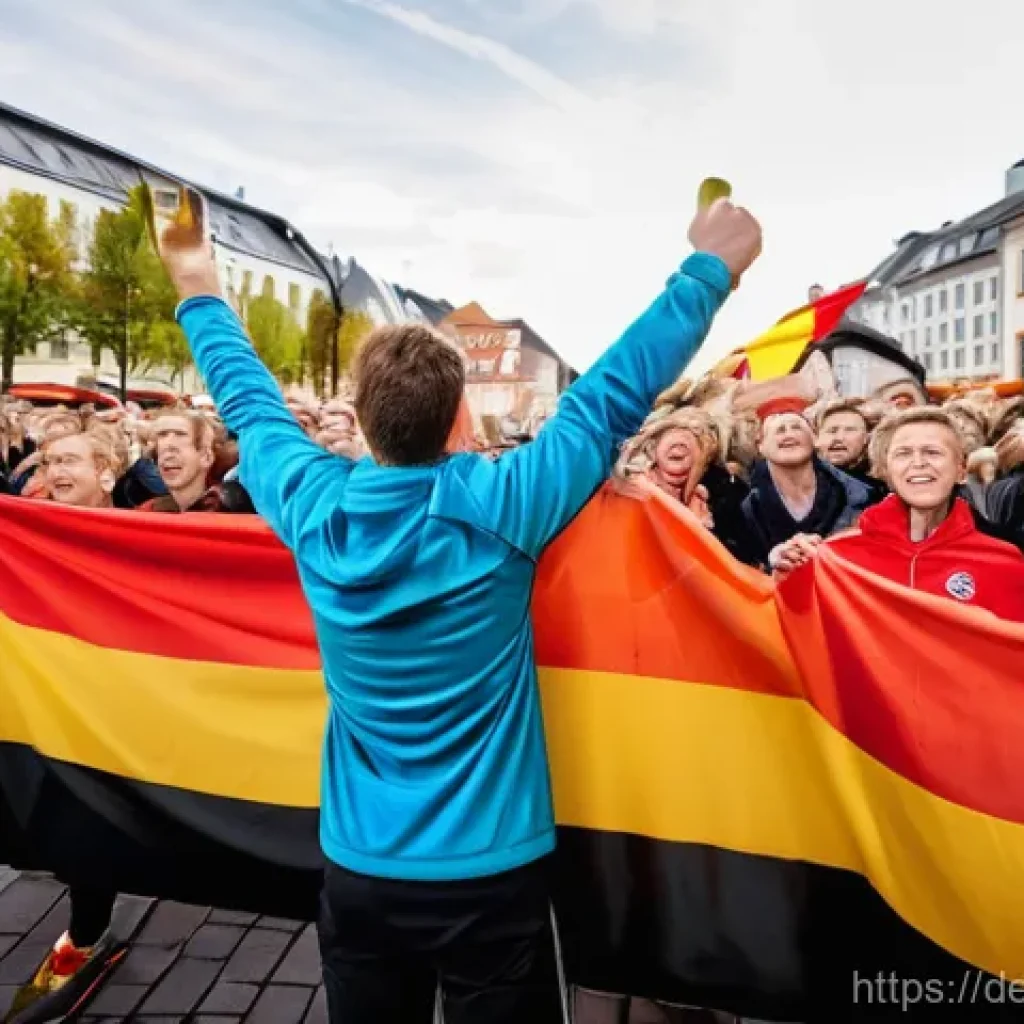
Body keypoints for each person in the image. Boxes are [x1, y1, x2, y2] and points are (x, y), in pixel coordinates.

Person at [155, 183, 761, 1024]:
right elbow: (608, 398)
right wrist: (709, 271)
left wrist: (197, 284)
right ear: (455, 425)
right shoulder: (500, 503)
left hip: (362, 866)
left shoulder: (314, 505)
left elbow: (251, 406)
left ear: (364, 425)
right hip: (489, 871)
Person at [6, 430, 127, 1024]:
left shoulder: (143, 533)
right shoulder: (27, 535)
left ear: (106, 474)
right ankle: (87, 923)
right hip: (53, 708)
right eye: (49, 460)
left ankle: (90, 928)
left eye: (70, 460)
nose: (55, 469)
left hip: (121, 709)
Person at [772, 408, 1024, 620]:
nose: (918, 462)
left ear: (960, 470)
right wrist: (789, 572)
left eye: (933, 452)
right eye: (903, 453)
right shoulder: (841, 558)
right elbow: (795, 625)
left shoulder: (1004, 562)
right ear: (885, 472)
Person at [736, 389, 873, 572]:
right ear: (761, 446)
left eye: (796, 427)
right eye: (779, 430)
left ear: (815, 438)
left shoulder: (860, 496)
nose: (788, 435)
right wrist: (775, 559)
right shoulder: (741, 503)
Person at [143, 409, 254, 513]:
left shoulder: (232, 510)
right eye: (163, 452)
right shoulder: (149, 511)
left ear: (206, 457)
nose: (167, 458)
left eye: (176, 450)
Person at [815, 399, 887, 505]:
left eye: (850, 430)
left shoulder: (882, 490)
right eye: (832, 430)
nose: (839, 438)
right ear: (817, 438)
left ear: (866, 438)